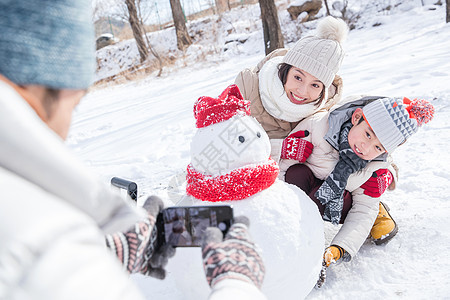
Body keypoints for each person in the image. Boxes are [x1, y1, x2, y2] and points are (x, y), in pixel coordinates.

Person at [0, 1, 266, 299]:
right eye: (74, 105)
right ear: (45, 85)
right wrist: (236, 284)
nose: (68, 125)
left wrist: (108, 249)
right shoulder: (45, 250)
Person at [234, 16, 398, 244]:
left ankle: (371, 211)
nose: (302, 91)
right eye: (298, 77)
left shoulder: (327, 106)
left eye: (315, 85)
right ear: (285, 69)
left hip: (298, 175)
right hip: (255, 169)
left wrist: (387, 172)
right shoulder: (249, 87)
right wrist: (283, 147)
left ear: (324, 89)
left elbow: (365, 139)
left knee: (333, 168)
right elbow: (228, 141)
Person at [282, 95, 434, 273]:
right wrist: (287, 150)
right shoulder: (319, 126)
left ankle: (378, 212)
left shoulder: (376, 167)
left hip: (341, 200)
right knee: (295, 173)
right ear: (356, 117)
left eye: (378, 148)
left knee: (362, 201)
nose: (366, 148)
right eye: (368, 134)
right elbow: (279, 166)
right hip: (305, 180)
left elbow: (363, 210)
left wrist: (340, 247)